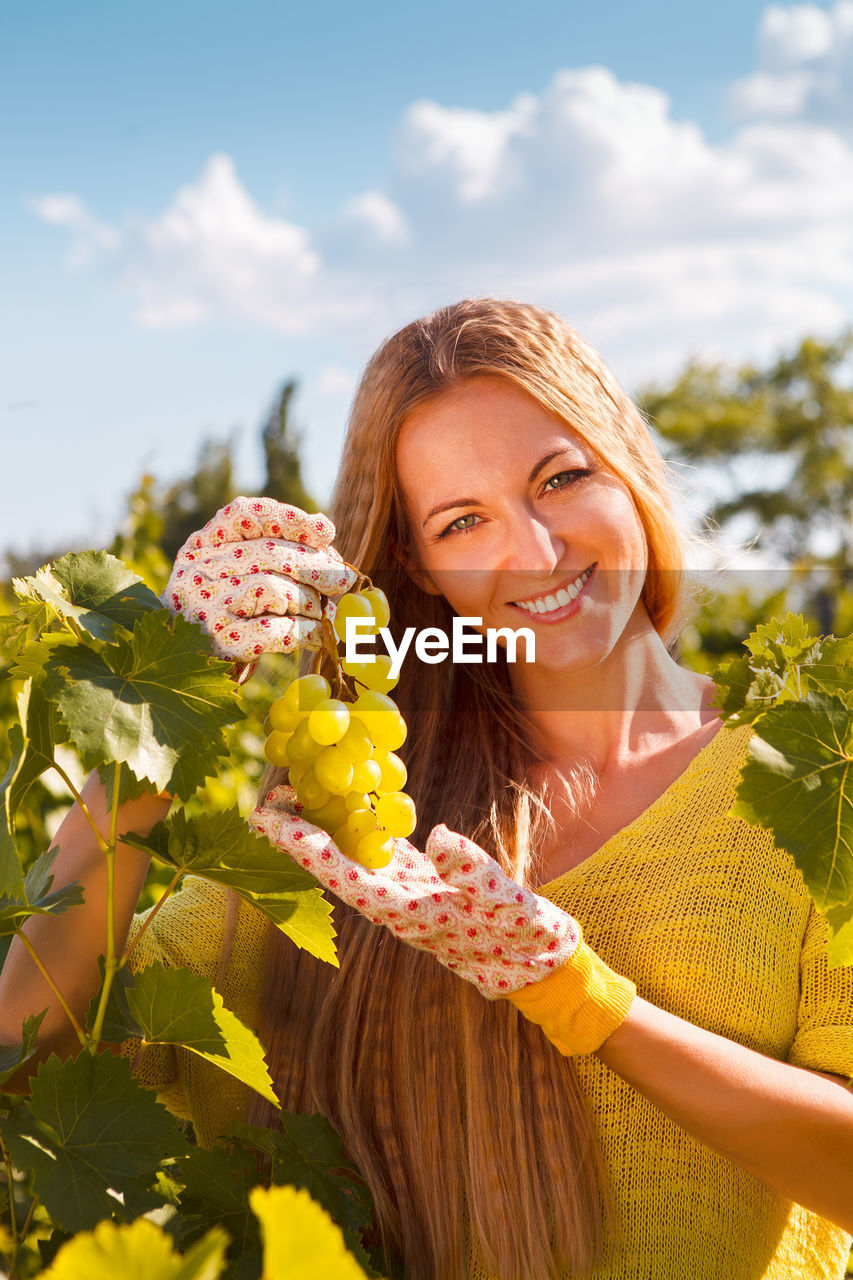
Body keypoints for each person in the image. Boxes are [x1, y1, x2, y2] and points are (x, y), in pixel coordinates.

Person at [2, 298, 852, 1280]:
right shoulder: (356, 837)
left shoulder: (811, 786)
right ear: (416, 563)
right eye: (462, 520)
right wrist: (154, 719)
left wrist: (573, 993)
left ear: (626, 456)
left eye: (559, 477)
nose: (534, 550)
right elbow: (22, 1053)